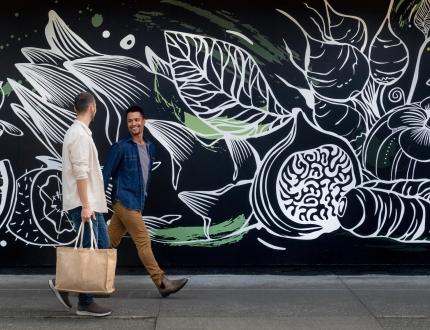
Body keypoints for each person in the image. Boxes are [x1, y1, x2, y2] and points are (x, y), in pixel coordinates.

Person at [103, 105, 188, 297]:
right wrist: (100, 202)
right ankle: (162, 282)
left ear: (144, 121)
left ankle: (82, 278)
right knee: (143, 242)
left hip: (136, 201)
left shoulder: (151, 148)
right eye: (130, 121)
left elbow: (144, 176)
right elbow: (106, 174)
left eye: (136, 120)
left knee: (107, 244)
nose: (133, 124)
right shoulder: (121, 147)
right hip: (124, 201)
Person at [49, 92, 112, 317]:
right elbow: (80, 172)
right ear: (92, 107)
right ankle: (85, 301)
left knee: (102, 244)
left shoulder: (82, 133)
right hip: (84, 203)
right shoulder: (78, 134)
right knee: (89, 250)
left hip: (91, 203)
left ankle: (65, 283)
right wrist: (86, 205)